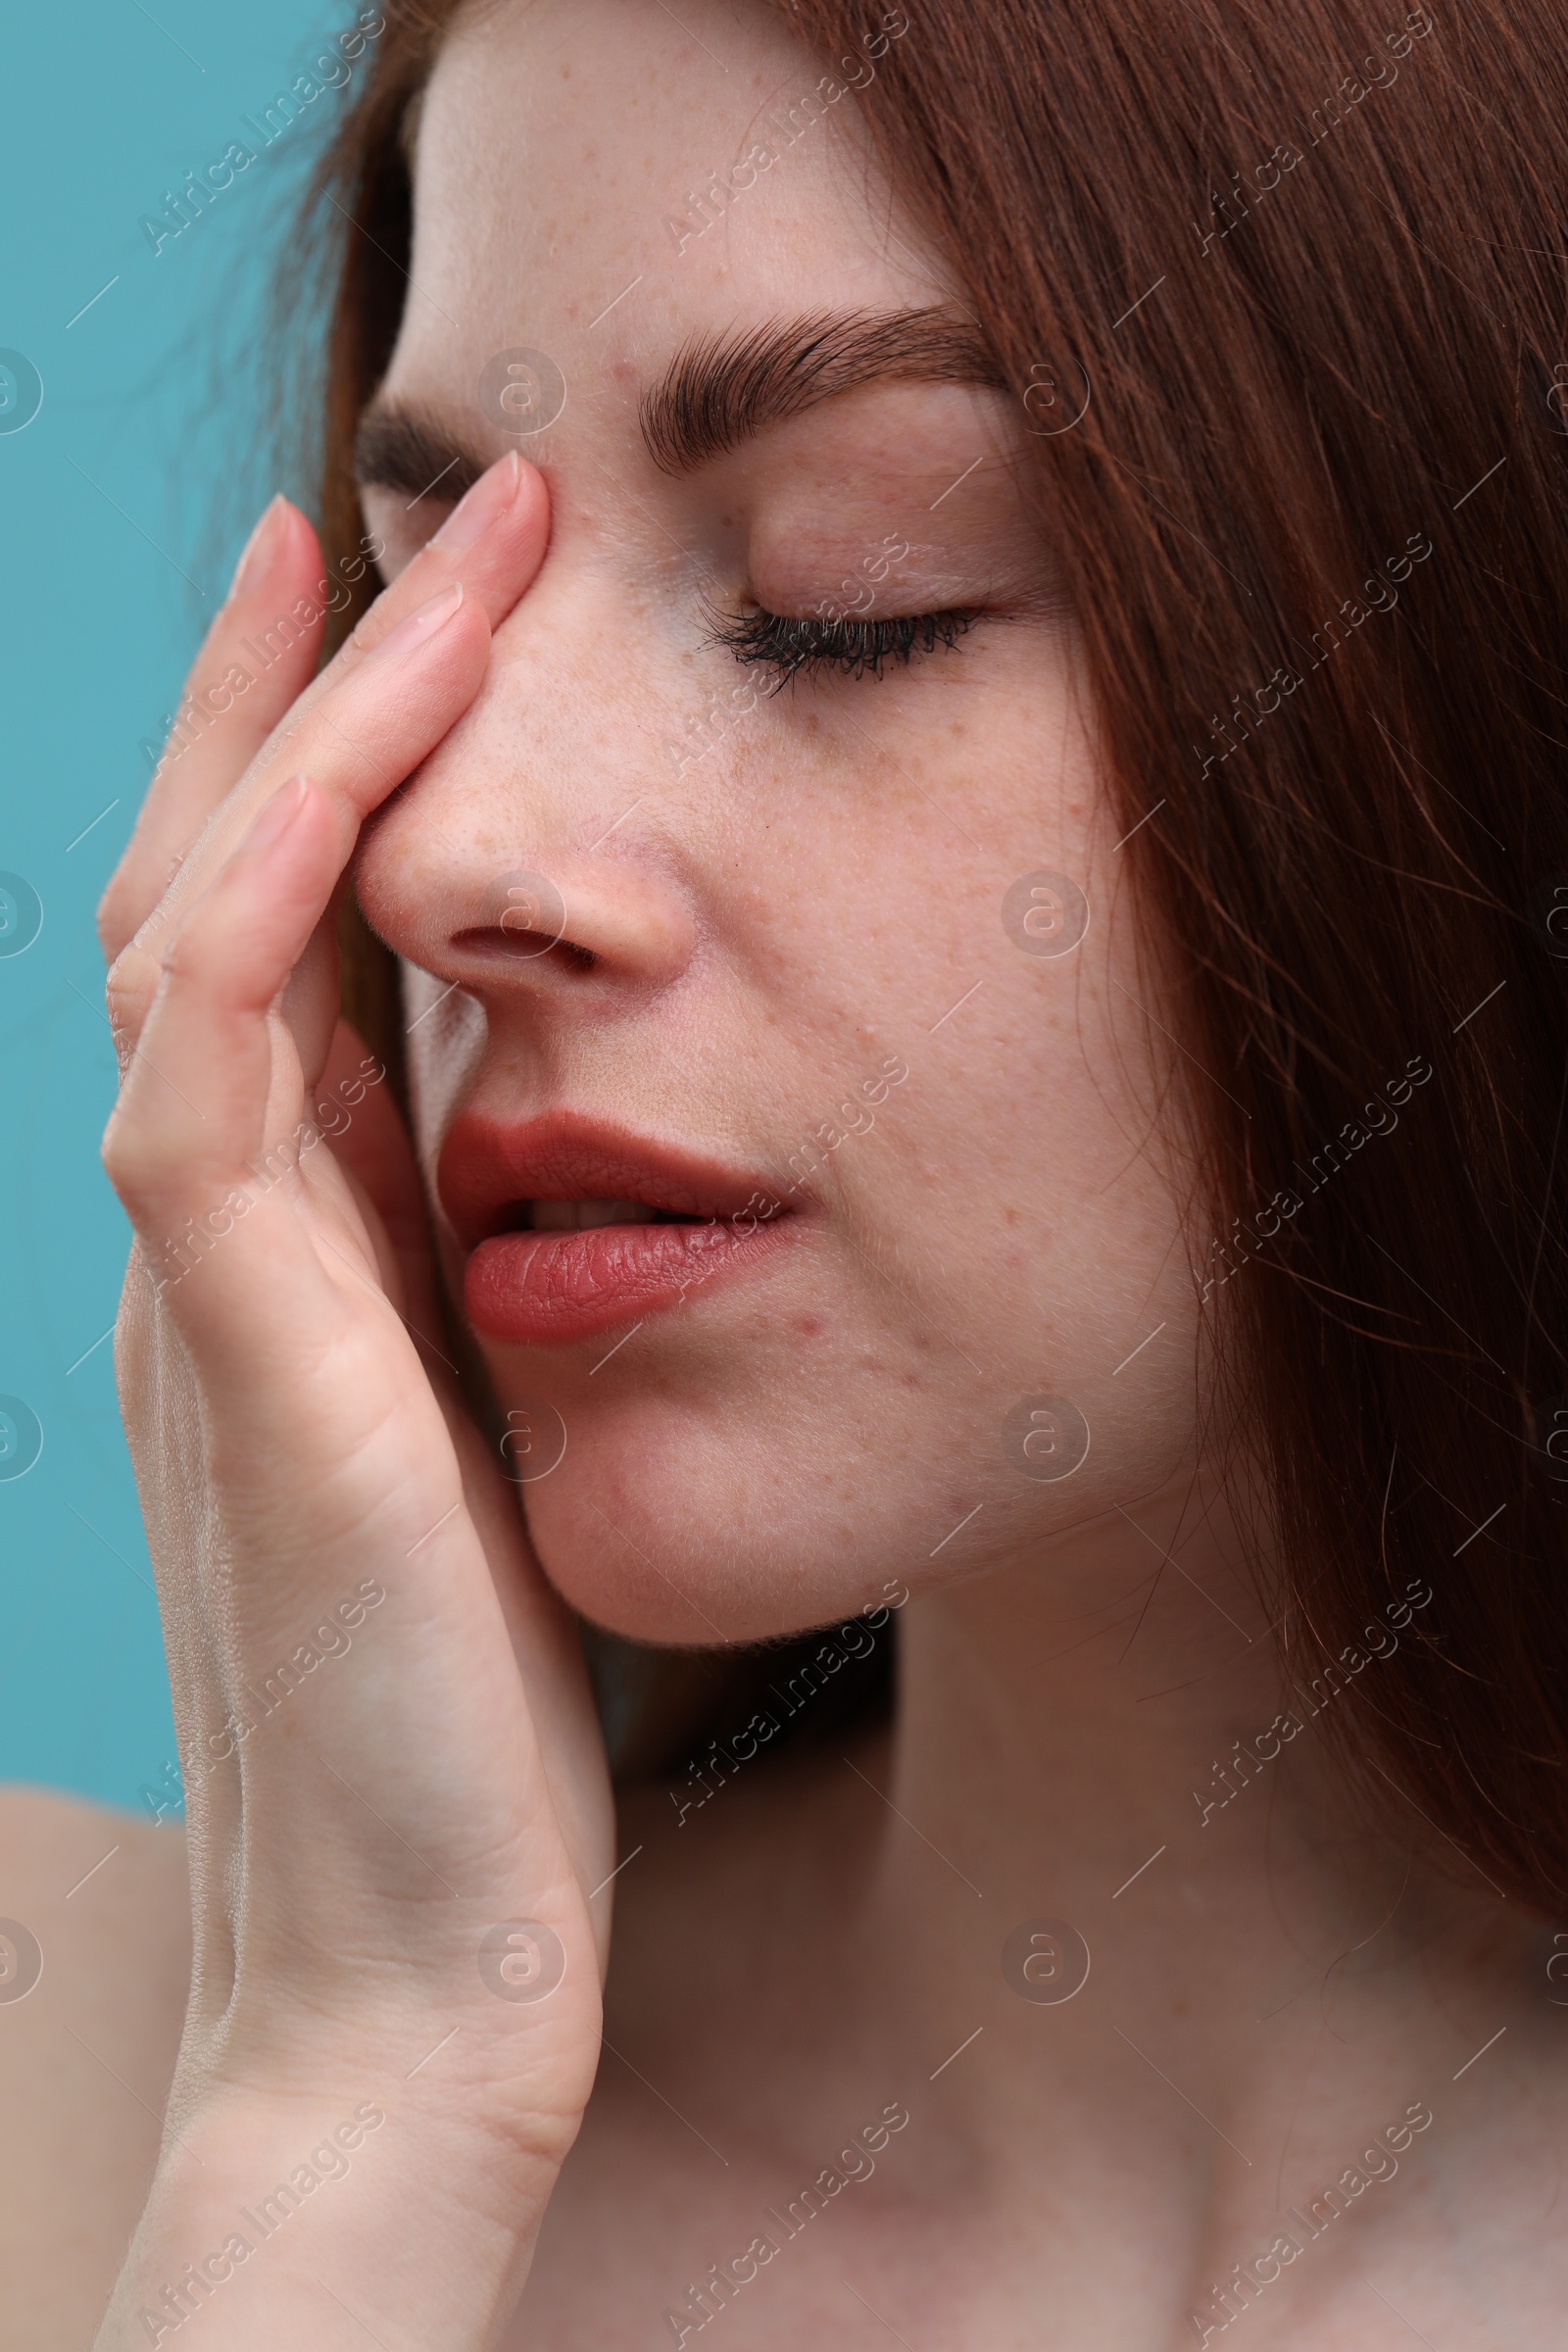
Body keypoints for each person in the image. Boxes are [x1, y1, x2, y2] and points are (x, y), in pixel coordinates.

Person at [4, 0, 1567, 2341]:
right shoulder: (64, 2085)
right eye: (424, 602)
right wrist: (352, 2122)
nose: (443, 857)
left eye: (851, 593)